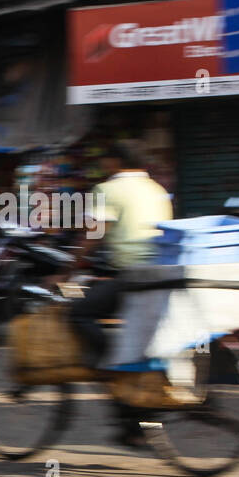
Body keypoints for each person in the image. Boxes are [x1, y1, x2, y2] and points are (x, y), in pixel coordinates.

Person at [65, 140, 172, 446]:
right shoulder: (157, 189)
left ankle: (109, 362)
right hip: (160, 276)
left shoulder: (108, 190)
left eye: (105, 160)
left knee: (79, 312)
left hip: (134, 276)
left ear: (114, 162)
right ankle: (132, 423)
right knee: (136, 341)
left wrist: (67, 270)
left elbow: (93, 234)